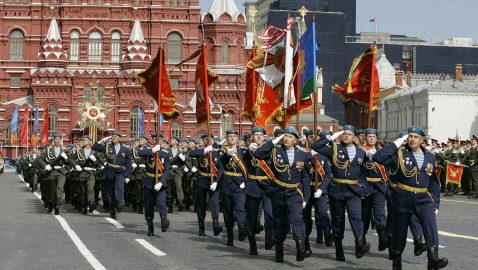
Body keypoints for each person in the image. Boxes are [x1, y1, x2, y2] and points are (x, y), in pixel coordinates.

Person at [373, 126, 448, 270]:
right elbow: (378, 157)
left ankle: (433, 259)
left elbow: (433, 181)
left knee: (431, 226)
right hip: (403, 198)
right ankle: (396, 260)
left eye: (416, 137)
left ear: (422, 140)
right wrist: (397, 143)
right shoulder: (399, 154)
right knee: (400, 232)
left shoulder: (430, 156)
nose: (412, 139)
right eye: (410, 136)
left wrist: (436, 203)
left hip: (423, 198)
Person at [311, 125, 370, 261]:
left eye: (349, 134)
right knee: (338, 220)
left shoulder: (361, 152)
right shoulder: (334, 149)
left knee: (356, 217)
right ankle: (339, 248)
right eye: (344, 133)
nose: (346, 135)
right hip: (337, 190)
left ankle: (360, 243)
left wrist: (364, 187)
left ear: (354, 137)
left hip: (353, 191)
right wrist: (331, 137)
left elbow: (364, 172)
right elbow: (316, 147)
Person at [253, 127, 311, 263]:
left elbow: (306, 178)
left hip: (295, 193)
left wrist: (306, 198)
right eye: (285, 136)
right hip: (278, 192)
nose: (286, 138)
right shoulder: (275, 151)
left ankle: (301, 248)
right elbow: (257, 154)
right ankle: (279, 252)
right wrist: (273, 142)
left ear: (296, 140)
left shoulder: (302, 154)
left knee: (297, 219)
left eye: (290, 137)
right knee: (280, 223)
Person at [243, 126, 274, 255]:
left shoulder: (271, 150)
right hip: (253, 187)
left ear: (264, 136)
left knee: (270, 214)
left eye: (261, 135)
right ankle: (252, 244)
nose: (259, 137)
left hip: (268, 186)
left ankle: (268, 237)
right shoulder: (248, 151)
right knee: (252, 217)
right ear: (252, 137)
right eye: (256, 135)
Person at [302, 129, 333, 253]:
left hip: (319, 189)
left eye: (316, 138)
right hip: (306, 190)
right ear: (306, 138)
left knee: (323, 214)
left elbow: (328, 175)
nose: (313, 140)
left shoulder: (325, 155)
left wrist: (322, 189)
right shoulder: (303, 153)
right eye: (310, 137)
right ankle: (306, 245)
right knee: (306, 219)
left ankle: (328, 232)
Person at [189, 134, 224, 236]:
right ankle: (201, 227)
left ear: (213, 140)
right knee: (201, 204)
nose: (208, 141)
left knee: (214, 203)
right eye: (205, 139)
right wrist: (204, 151)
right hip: (202, 179)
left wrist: (216, 181)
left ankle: (216, 224)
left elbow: (221, 168)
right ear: (203, 141)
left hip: (214, 180)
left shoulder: (218, 152)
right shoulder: (200, 151)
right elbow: (191, 152)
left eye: (210, 139)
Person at [92, 131, 133, 219]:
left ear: (119, 138)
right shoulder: (107, 146)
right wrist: (102, 140)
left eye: (116, 136)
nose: (114, 138)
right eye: (113, 136)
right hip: (110, 171)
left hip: (120, 171)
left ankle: (120, 202)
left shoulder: (125, 149)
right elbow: (94, 147)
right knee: (110, 192)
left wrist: (128, 176)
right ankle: (112, 208)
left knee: (120, 188)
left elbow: (129, 164)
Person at [218, 130, 247, 246]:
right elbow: (219, 164)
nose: (232, 138)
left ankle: (241, 227)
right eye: (229, 136)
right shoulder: (222, 151)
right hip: (227, 183)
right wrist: (226, 155)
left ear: (237, 138)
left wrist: (245, 181)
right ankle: (230, 235)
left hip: (240, 184)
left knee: (240, 207)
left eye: (234, 136)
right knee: (228, 211)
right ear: (226, 138)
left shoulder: (243, 151)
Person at [361, 128, 388, 251]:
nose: (371, 138)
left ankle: (383, 238)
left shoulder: (381, 152)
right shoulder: (361, 151)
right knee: (365, 216)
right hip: (366, 188)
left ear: (377, 138)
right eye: (369, 136)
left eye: (373, 136)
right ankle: (362, 240)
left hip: (379, 188)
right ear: (365, 138)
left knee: (380, 214)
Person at [138, 142, 171, 236]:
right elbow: (140, 153)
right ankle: (150, 225)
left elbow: (167, 170)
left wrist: (161, 182)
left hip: (160, 182)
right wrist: (152, 150)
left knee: (161, 203)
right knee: (148, 205)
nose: (154, 140)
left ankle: (164, 219)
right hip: (149, 181)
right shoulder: (148, 152)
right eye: (152, 138)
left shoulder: (164, 154)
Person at [37, 134, 74, 215]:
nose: (57, 141)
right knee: (52, 191)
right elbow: (39, 159)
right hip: (52, 172)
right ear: (53, 141)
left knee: (60, 188)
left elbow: (71, 161)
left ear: (61, 141)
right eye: (56, 139)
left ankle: (58, 204)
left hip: (61, 172)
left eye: (59, 139)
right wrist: (46, 166)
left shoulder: (65, 150)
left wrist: (66, 159)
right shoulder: (48, 150)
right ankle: (52, 203)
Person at [70, 135, 104, 215]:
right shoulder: (79, 151)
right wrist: (76, 165)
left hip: (91, 173)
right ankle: (84, 207)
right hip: (82, 173)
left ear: (90, 142)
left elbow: (101, 161)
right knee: (83, 191)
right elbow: (71, 159)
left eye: (85, 140)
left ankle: (91, 203)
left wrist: (98, 162)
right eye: (84, 140)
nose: (84, 141)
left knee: (90, 188)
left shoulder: (94, 151)